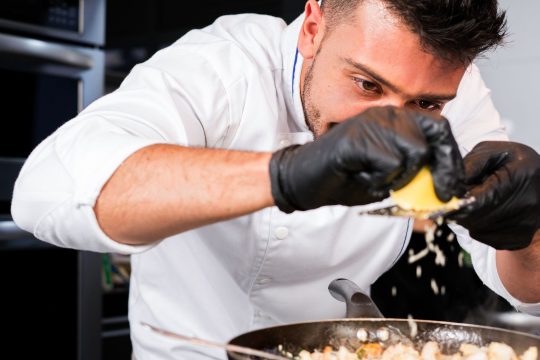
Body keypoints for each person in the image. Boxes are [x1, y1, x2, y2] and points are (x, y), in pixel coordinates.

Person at [11, 0, 540, 358]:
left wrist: (528, 230)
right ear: (313, 28)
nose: (392, 123)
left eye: (425, 103)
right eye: (365, 83)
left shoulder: (457, 90)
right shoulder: (224, 64)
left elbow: (523, 286)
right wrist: (283, 176)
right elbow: (46, 192)